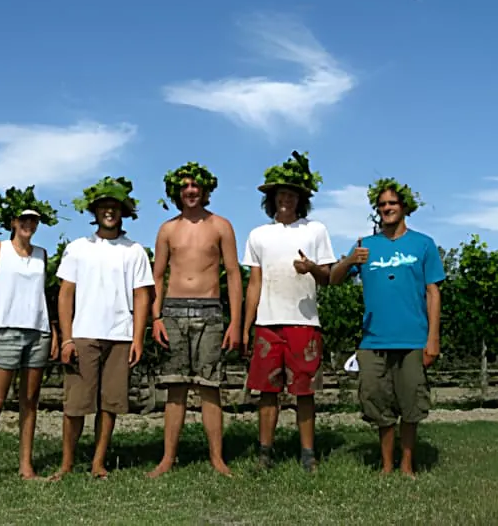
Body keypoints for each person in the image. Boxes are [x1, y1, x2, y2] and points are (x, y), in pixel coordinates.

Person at [329, 178, 445, 477]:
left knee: (411, 405)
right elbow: (334, 279)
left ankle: (406, 465)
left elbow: (434, 292)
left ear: (404, 207)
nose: (386, 209)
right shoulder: (366, 246)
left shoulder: (423, 244)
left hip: (412, 338)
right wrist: (350, 260)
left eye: (392, 203)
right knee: (379, 405)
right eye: (381, 205)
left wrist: (433, 339)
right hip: (374, 340)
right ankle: (385, 466)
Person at [49, 177, 153, 480]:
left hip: (120, 335)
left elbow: (142, 295)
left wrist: (138, 337)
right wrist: (67, 338)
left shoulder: (134, 251)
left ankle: (98, 462)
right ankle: (67, 463)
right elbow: (65, 293)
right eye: (104, 207)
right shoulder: (78, 248)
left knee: (110, 404)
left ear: (123, 212)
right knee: (76, 404)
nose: (109, 211)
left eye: (114, 207)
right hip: (83, 334)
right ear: (95, 212)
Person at [146, 161, 243, 478]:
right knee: (175, 390)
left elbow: (234, 275)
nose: (190, 191)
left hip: (210, 311)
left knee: (209, 388)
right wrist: (156, 317)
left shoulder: (221, 226)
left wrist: (235, 322)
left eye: (195, 186)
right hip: (173, 312)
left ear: (205, 190)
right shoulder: (167, 229)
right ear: (178, 191)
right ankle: (167, 458)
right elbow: (157, 276)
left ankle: (217, 457)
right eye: (185, 186)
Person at [241, 151, 336, 473]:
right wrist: (246, 324)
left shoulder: (315, 230)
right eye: (281, 194)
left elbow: (329, 277)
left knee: (304, 391)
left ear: (300, 199)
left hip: (304, 322)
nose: (286, 199)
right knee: (267, 392)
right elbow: (254, 282)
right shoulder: (258, 235)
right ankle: (265, 453)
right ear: (272, 199)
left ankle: (308, 453)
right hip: (268, 322)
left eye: (292, 194)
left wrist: (311, 268)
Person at [0, 195, 59, 490]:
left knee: (29, 402)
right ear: (13, 223)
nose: (28, 224)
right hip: (5, 332)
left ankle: (26, 466)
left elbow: (43, 297)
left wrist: (53, 332)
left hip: (37, 333)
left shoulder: (42, 254)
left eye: (33, 220)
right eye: (24, 219)